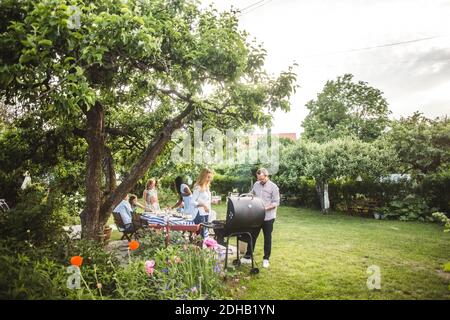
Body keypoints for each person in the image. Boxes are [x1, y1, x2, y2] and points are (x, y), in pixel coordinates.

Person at [241, 168, 280, 269]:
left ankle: (266, 259)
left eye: (262, 179)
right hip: (257, 216)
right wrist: (246, 196)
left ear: (267, 176)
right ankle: (248, 256)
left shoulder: (273, 187)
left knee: (267, 238)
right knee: (252, 236)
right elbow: (252, 193)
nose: (260, 181)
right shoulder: (256, 184)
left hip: (268, 217)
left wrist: (264, 208)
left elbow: (276, 202)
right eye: (258, 179)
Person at [192, 168, 214, 238]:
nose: (209, 179)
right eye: (208, 177)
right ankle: (199, 248)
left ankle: (204, 248)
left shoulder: (207, 187)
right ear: (203, 177)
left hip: (206, 214)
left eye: (210, 177)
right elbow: (192, 202)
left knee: (205, 235)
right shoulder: (198, 187)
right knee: (201, 236)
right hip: (199, 214)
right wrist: (203, 205)